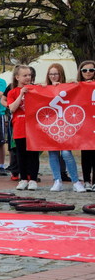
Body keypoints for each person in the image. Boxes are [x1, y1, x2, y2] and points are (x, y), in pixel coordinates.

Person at [44, 63, 85, 192]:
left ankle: (76, 181)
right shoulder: (44, 88)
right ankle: (57, 180)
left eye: (56, 73)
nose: (53, 76)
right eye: (51, 74)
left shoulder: (67, 87)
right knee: (53, 153)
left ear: (61, 74)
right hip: (51, 125)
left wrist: (72, 85)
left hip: (65, 125)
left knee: (67, 153)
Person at [3, 64, 39, 190]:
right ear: (17, 77)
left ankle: (33, 179)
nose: (28, 77)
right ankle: (23, 178)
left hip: (34, 128)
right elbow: (12, 108)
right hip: (19, 127)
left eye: (29, 75)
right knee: (21, 154)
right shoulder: (12, 91)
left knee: (33, 155)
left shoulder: (35, 89)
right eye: (25, 75)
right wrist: (21, 94)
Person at [78, 60, 95, 191]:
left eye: (91, 70)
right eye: (84, 70)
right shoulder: (77, 86)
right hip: (84, 124)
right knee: (86, 154)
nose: (88, 73)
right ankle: (87, 181)